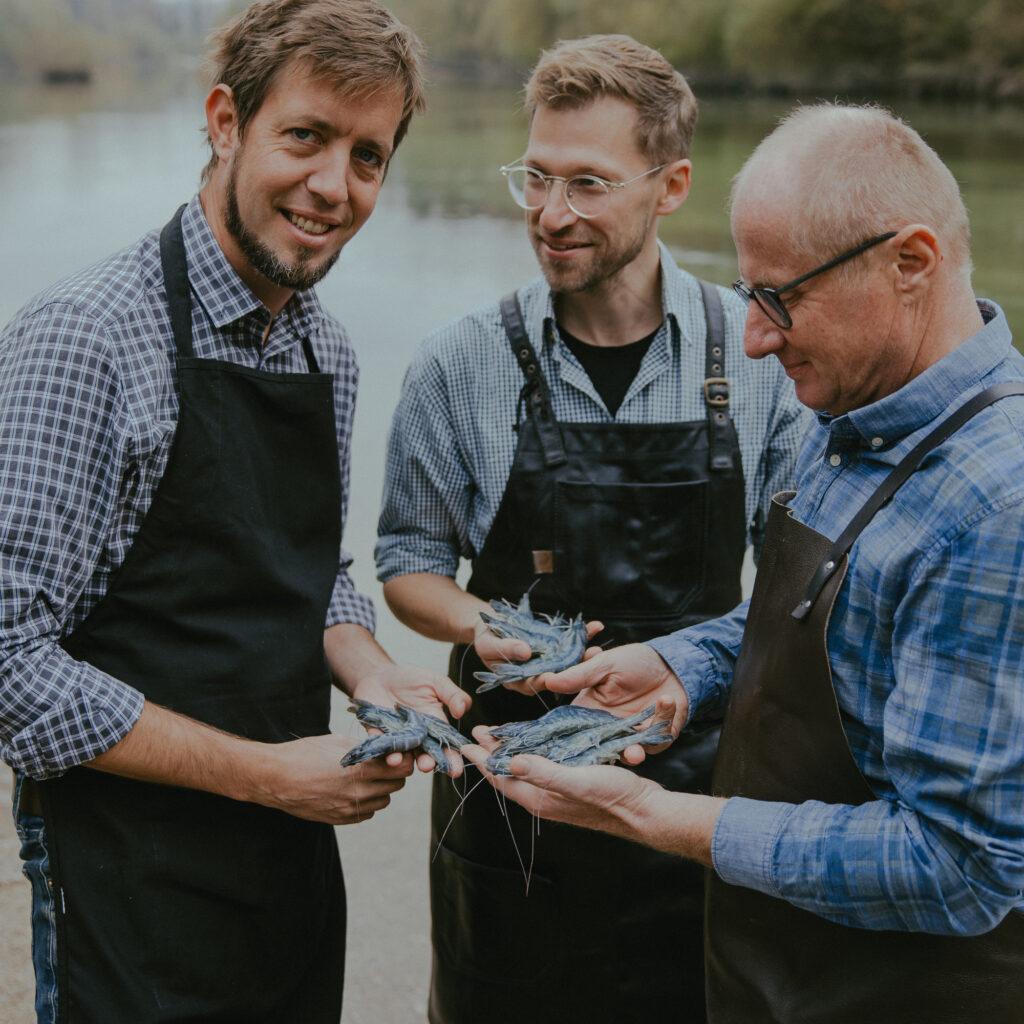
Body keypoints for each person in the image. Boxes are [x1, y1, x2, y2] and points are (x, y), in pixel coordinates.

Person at [468, 103, 1024, 1024]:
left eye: (781, 297)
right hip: (766, 975)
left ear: (911, 263)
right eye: (748, 295)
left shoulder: (997, 505)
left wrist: (650, 815)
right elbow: (812, 617)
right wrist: (684, 665)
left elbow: (961, 865)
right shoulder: (847, 414)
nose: (757, 337)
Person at [0, 2, 470, 1021]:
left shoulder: (327, 351)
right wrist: (268, 776)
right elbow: (9, 665)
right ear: (225, 121)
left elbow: (313, 573)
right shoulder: (85, 339)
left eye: (368, 156)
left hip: (287, 862)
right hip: (126, 871)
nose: (333, 186)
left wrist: (374, 668)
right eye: (304, 136)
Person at [376, 35, 807, 1024]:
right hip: (508, 803)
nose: (548, 213)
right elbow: (406, 564)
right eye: (534, 176)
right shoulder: (458, 364)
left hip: (696, 807)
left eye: (586, 183)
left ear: (672, 186)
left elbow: (794, 590)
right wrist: (480, 621)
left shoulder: (757, 358)